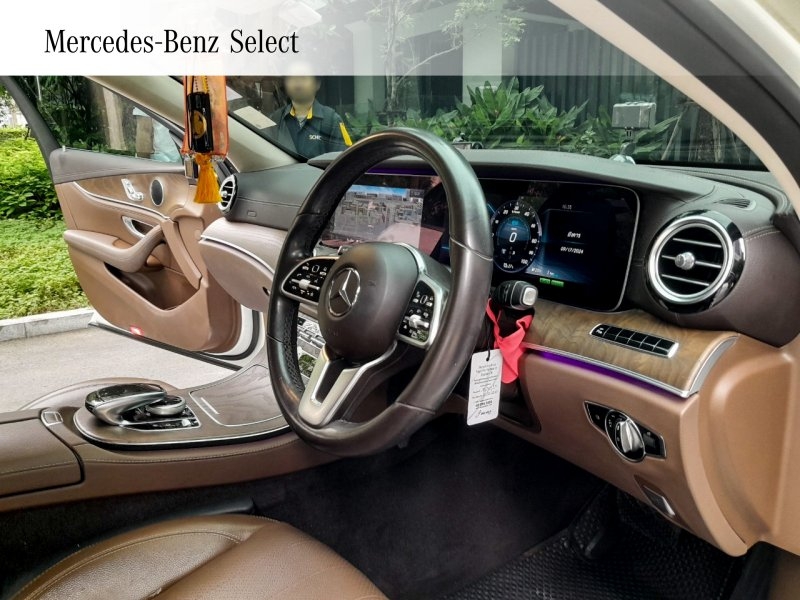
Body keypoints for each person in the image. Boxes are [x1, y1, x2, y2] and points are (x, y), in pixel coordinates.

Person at [267, 76, 352, 158]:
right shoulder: (276, 119)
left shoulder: (331, 119)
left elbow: (342, 161)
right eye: (292, 78)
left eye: (303, 77)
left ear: (317, 84)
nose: (297, 83)